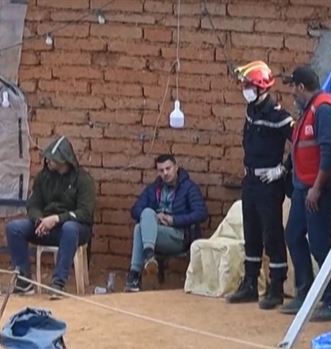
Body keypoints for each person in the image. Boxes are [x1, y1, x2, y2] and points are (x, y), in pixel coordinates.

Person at [227, 60, 293, 310]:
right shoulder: (251, 111)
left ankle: (276, 286)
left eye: (248, 85)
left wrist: (283, 170)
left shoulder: (280, 117)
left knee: (272, 235)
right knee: (251, 233)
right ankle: (250, 284)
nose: (245, 89)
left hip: (269, 183)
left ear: (261, 88)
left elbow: (301, 146)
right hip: (251, 181)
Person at [282, 66, 331, 321]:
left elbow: (330, 150)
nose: (291, 94)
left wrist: (317, 188)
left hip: (323, 188)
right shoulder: (308, 111)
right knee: (294, 235)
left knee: (319, 242)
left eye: (292, 88)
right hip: (303, 187)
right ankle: (305, 292)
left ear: (300, 86)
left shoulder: (324, 109)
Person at [5, 136, 95, 296]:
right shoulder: (43, 177)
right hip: (44, 227)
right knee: (14, 228)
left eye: (52, 159)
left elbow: (85, 212)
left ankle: (58, 283)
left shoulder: (83, 180)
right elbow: (32, 204)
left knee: (69, 228)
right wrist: (39, 220)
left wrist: (56, 219)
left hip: (71, 230)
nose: (48, 161)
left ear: (64, 160)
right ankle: (24, 281)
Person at [124, 154, 207, 292]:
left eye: (168, 168)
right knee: (145, 215)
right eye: (161, 170)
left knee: (139, 229)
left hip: (179, 235)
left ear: (176, 167)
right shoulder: (153, 188)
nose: (165, 173)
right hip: (155, 232)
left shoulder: (188, 187)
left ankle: (135, 276)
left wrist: (173, 220)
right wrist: (154, 217)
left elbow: (201, 213)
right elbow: (135, 210)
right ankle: (149, 255)